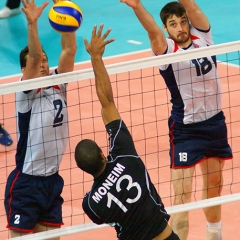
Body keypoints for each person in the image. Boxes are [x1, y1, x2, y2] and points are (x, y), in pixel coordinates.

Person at [119, 0, 233, 240]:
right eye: (173, 24)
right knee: (181, 196)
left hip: (215, 124)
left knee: (215, 186)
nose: (180, 27)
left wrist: (187, 11)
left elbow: (191, 7)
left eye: (182, 22)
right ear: (166, 27)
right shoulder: (166, 50)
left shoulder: (204, 36)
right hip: (186, 130)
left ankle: (215, 236)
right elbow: (152, 32)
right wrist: (137, 6)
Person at [74, 24, 179, 240]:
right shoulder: (125, 154)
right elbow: (107, 101)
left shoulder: (91, 204)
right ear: (103, 154)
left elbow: (100, 214)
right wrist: (96, 57)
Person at [4, 0, 77, 238]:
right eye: (38, 63)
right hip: (27, 182)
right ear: (24, 72)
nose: (43, 64)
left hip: (52, 181)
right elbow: (33, 58)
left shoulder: (59, 82)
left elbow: (69, 51)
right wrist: (32, 23)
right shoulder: (25, 92)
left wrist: (68, 17)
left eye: (46, 60)